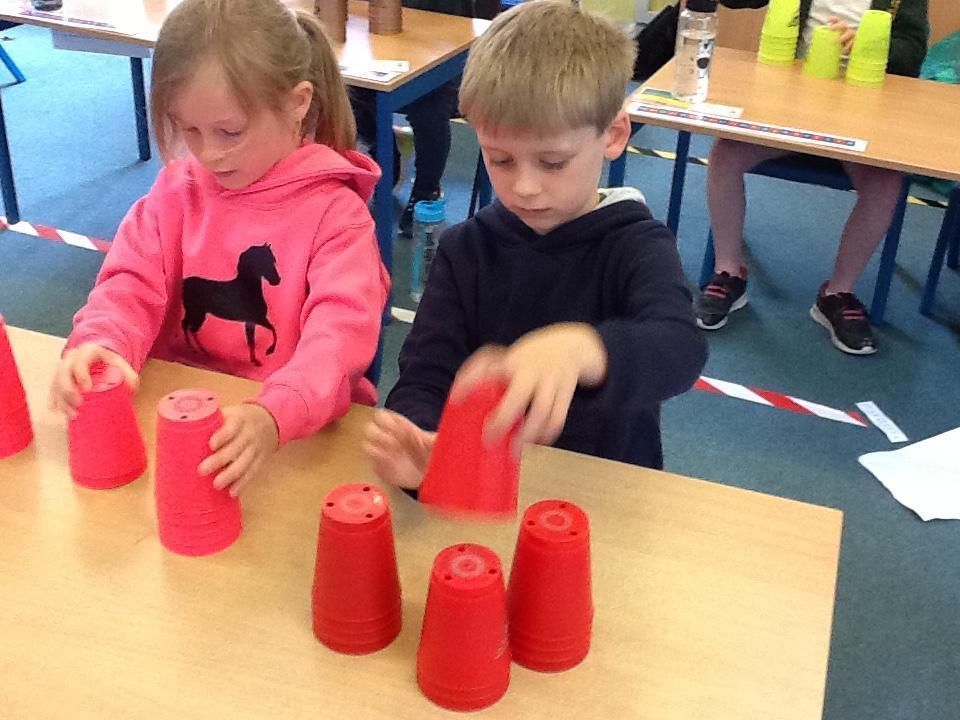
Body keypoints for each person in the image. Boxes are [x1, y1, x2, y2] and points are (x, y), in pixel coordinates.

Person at [48, 0, 390, 496]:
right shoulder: (176, 192)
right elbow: (129, 282)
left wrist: (275, 413)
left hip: (296, 441)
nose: (208, 154)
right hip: (184, 424)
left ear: (297, 103)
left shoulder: (337, 216)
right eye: (189, 130)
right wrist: (104, 341)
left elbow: (339, 338)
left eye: (230, 132)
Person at [363, 0, 708, 491]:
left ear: (613, 134)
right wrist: (421, 444)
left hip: (606, 494)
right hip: (486, 490)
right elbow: (425, 376)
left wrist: (586, 348)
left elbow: (679, 348)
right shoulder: (465, 250)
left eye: (552, 162)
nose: (524, 187)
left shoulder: (636, 244)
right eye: (500, 159)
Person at [695, 0, 928, 355]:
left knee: (885, 183)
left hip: (864, 111)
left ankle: (837, 293)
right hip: (789, 104)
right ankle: (728, 271)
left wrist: (867, 43)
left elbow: (912, 50)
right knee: (726, 155)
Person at [349, 0, 499, 237]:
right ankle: (386, 156)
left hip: (447, 46)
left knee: (429, 110)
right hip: (385, 37)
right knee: (353, 93)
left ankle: (426, 191)